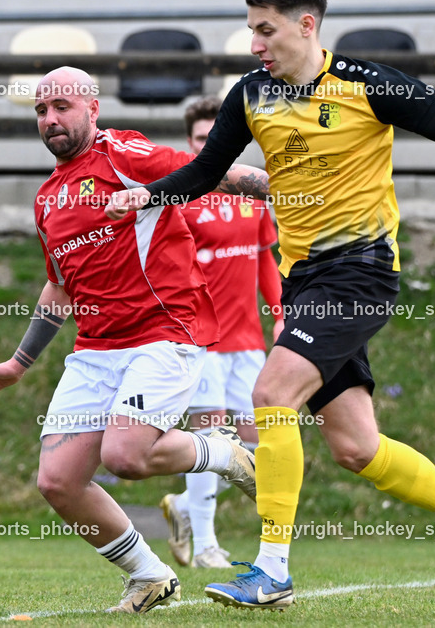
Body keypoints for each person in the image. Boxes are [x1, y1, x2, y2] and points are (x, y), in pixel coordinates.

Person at [105, 0, 435, 609]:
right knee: (356, 448)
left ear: (306, 25)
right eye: (251, 30)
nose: (254, 44)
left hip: (360, 272)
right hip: (303, 278)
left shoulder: (366, 86)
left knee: (271, 392)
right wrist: (147, 195)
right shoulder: (251, 95)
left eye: (265, 30)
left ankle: (272, 569)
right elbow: (204, 171)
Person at [0, 66, 269, 614]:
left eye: (62, 106)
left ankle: (222, 452)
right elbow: (59, 287)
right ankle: (150, 577)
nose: (50, 118)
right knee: (58, 481)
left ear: (92, 109)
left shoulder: (123, 155)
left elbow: (208, 170)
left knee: (124, 455)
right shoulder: (47, 199)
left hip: (165, 332)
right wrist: (18, 362)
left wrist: (296, 191)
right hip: (96, 349)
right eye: (41, 110)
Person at [159, 96, 284, 570]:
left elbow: (265, 260)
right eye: (197, 139)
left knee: (251, 443)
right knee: (209, 437)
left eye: (213, 137)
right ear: (187, 143)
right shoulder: (180, 197)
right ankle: (207, 544)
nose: (205, 145)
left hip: (248, 341)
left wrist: (279, 312)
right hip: (199, 342)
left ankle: (186, 508)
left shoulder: (251, 193)